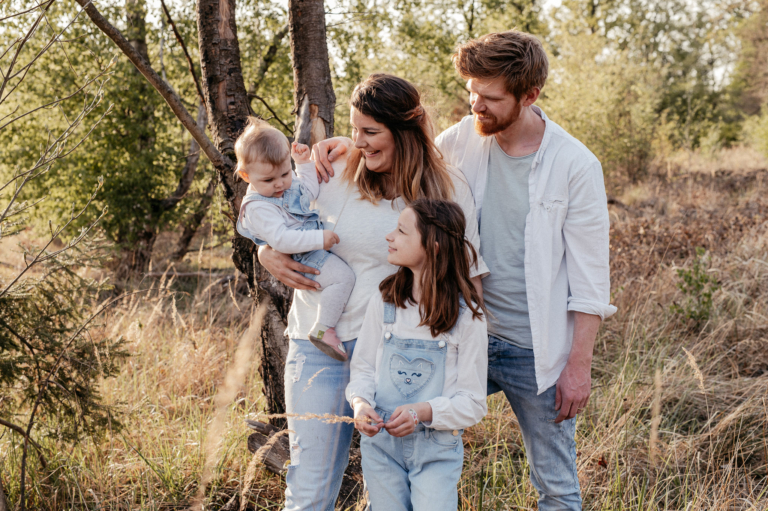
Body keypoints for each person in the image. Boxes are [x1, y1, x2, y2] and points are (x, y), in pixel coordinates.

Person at [257, 74, 488, 511]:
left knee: (403, 489)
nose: (359, 142)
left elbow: (466, 277)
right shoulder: (335, 168)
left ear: (405, 130)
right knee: (310, 488)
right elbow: (273, 206)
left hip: (401, 356)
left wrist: (464, 360)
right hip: (319, 344)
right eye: (355, 129)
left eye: (371, 132)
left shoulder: (449, 187)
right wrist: (265, 250)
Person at [347, 199, 488, 511]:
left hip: (436, 450)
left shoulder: (468, 318)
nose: (390, 237)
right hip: (381, 447)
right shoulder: (385, 302)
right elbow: (364, 370)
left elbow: (474, 403)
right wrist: (360, 405)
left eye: (401, 231)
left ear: (434, 246)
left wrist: (422, 411)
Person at [234, 118, 355, 360]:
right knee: (343, 278)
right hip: (303, 254)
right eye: (268, 180)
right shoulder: (258, 207)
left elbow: (309, 192)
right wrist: (319, 239)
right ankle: (324, 329)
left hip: (310, 248)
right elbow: (281, 240)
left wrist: (303, 165)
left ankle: (326, 327)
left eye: (285, 173)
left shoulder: (286, 186)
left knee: (341, 276)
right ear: (246, 176)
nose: (279, 184)